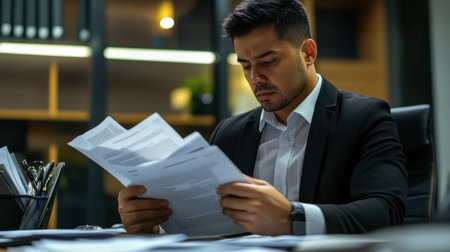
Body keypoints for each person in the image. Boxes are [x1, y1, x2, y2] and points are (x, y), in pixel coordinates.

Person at [118, 0, 407, 236]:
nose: (255, 78)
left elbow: (385, 212)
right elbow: (207, 227)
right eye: (245, 65)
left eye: (268, 62)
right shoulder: (229, 133)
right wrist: (152, 225)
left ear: (308, 53)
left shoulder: (364, 118)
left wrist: (293, 218)